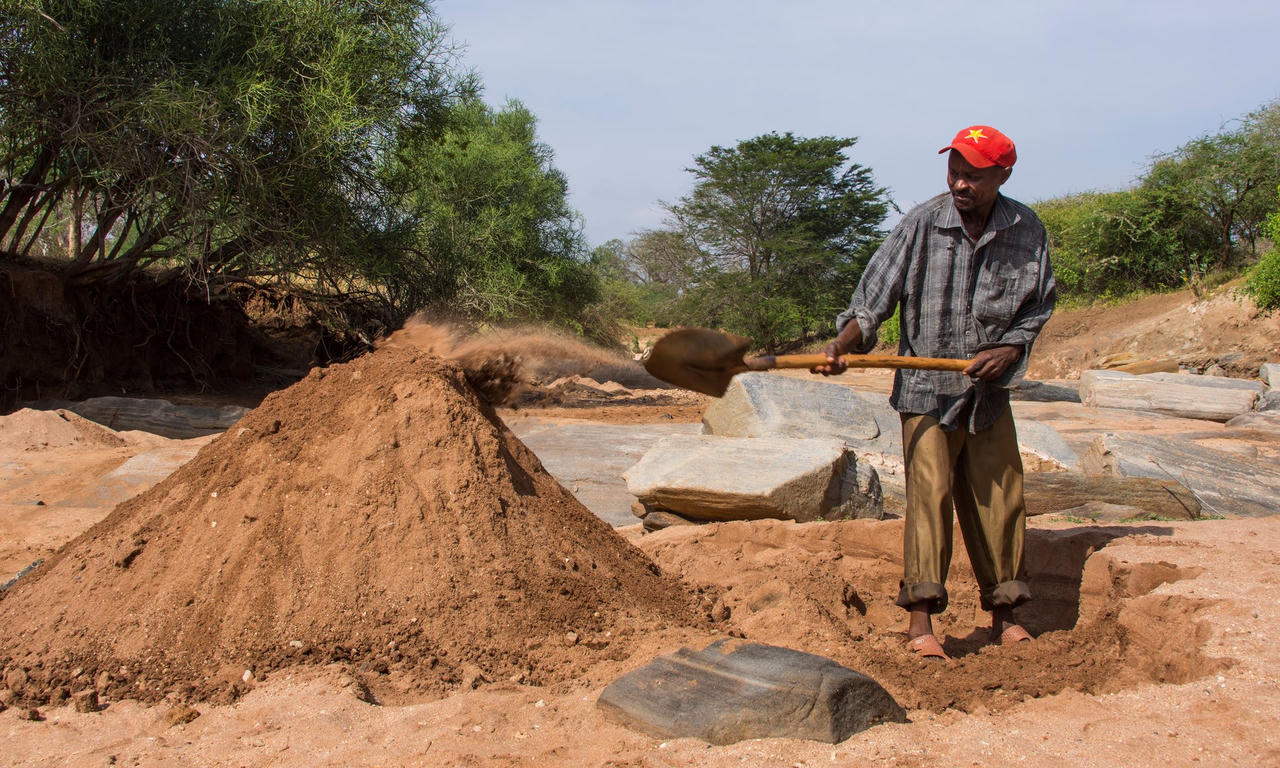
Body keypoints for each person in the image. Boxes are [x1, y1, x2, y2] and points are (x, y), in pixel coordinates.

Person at [813, 125, 1055, 660]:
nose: (960, 183)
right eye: (955, 171)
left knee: (1002, 500)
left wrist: (1010, 350)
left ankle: (1005, 614)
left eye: (973, 174)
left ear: (1003, 175)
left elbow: (1039, 306)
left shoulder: (1027, 229)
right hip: (926, 393)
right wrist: (843, 345)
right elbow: (873, 298)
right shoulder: (922, 223)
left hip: (988, 396)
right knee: (929, 500)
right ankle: (921, 623)